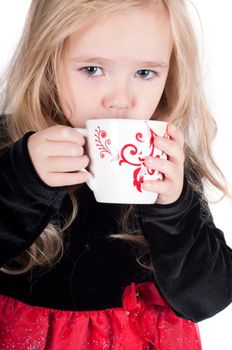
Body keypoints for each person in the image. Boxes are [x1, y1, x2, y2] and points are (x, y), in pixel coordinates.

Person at [0, 0, 231, 349]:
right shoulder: (10, 148)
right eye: (92, 69)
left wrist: (174, 208)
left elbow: (208, 298)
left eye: (144, 73)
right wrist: (23, 178)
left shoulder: (167, 167)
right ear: (48, 64)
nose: (121, 100)